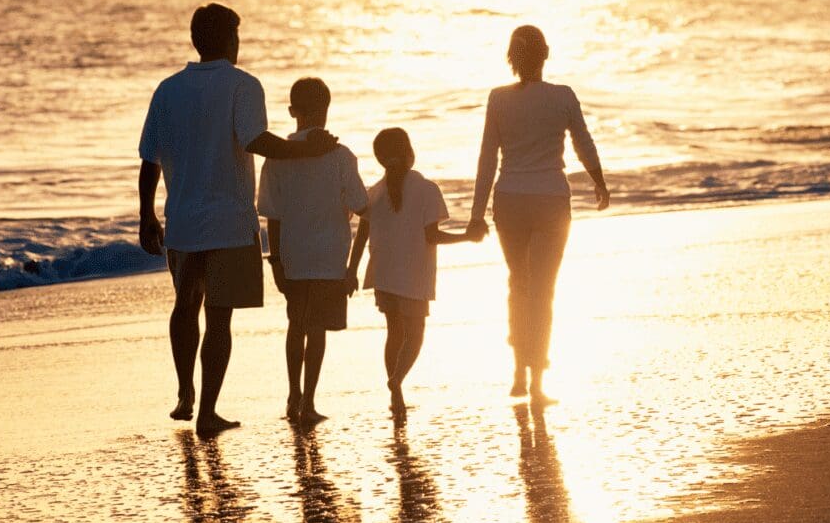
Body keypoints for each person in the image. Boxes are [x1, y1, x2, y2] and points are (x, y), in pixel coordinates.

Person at [138, 3, 337, 435]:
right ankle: (207, 411)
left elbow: (149, 159)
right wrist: (309, 148)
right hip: (229, 224)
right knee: (219, 317)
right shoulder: (243, 85)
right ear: (230, 40)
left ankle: (184, 391)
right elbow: (258, 141)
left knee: (184, 306)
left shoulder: (167, 89)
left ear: (196, 40)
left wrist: (145, 214)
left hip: (183, 222)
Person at [466, 25, 609, 407]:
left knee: (520, 283)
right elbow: (583, 142)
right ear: (546, 54)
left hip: (509, 200)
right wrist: (599, 181)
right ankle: (537, 382)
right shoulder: (562, 97)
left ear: (511, 58)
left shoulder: (498, 99)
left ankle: (517, 369)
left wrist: (476, 214)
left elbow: (487, 159)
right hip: (550, 200)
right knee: (543, 290)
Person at [347, 128, 483, 421]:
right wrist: (467, 237)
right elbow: (432, 236)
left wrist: (351, 270)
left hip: (382, 272)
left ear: (381, 159)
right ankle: (396, 381)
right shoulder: (426, 189)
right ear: (410, 152)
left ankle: (396, 394)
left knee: (394, 333)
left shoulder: (374, 193)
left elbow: (360, 235)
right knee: (415, 335)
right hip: (412, 274)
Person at [257, 78, 368, 424]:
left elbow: (271, 215)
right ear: (327, 109)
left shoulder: (276, 158)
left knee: (296, 324)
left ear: (293, 112)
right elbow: (364, 209)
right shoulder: (342, 156)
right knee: (317, 329)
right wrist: (353, 266)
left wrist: (275, 261)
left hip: (293, 255)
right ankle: (308, 400)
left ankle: (293, 393)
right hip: (330, 257)